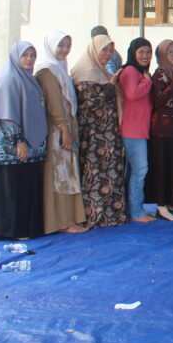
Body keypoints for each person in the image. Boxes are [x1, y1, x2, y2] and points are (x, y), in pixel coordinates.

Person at [0, 42, 47, 240]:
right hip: (12, 148)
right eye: (24, 55)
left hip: (29, 145)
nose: (29, 59)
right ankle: (10, 230)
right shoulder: (9, 79)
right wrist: (19, 141)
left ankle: (24, 228)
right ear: (15, 57)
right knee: (12, 188)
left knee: (24, 185)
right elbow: (6, 115)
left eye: (32, 55)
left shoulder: (28, 79)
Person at [71, 33, 127, 228]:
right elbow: (88, 104)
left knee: (110, 172)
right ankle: (92, 215)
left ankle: (110, 215)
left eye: (111, 51)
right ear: (94, 49)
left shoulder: (103, 72)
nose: (108, 54)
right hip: (92, 135)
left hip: (109, 133)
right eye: (104, 50)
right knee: (93, 173)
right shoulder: (82, 71)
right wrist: (110, 87)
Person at [35, 31, 87, 234]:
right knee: (60, 175)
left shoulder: (60, 68)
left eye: (67, 45)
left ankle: (69, 218)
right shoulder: (47, 70)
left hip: (65, 128)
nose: (65, 50)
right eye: (60, 45)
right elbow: (55, 104)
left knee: (67, 173)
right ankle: (62, 221)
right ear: (50, 46)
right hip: (57, 131)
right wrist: (64, 129)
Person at [117, 38, 155, 223]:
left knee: (134, 170)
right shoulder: (130, 71)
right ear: (133, 53)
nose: (145, 56)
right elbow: (132, 94)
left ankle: (130, 208)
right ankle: (136, 211)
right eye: (141, 52)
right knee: (140, 170)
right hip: (132, 129)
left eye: (148, 52)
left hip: (139, 129)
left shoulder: (139, 71)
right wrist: (148, 82)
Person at [147, 40, 173, 222]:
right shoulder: (159, 75)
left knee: (172, 166)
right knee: (162, 168)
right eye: (170, 52)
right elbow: (157, 101)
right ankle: (161, 205)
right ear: (163, 55)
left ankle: (171, 201)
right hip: (161, 129)